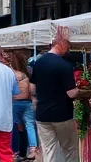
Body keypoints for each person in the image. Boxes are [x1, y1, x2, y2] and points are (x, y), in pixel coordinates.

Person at [31, 32, 87, 162]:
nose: (67, 49)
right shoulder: (65, 66)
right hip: (62, 115)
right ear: (61, 44)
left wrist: (36, 100)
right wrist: (82, 92)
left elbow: (32, 88)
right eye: (67, 45)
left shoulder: (38, 63)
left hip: (42, 115)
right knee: (69, 149)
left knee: (49, 150)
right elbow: (71, 93)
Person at [7, 52, 37, 162]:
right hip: (28, 103)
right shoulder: (27, 73)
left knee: (16, 127)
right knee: (29, 125)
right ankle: (33, 149)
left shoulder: (10, 74)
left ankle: (15, 152)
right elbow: (29, 91)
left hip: (15, 104)